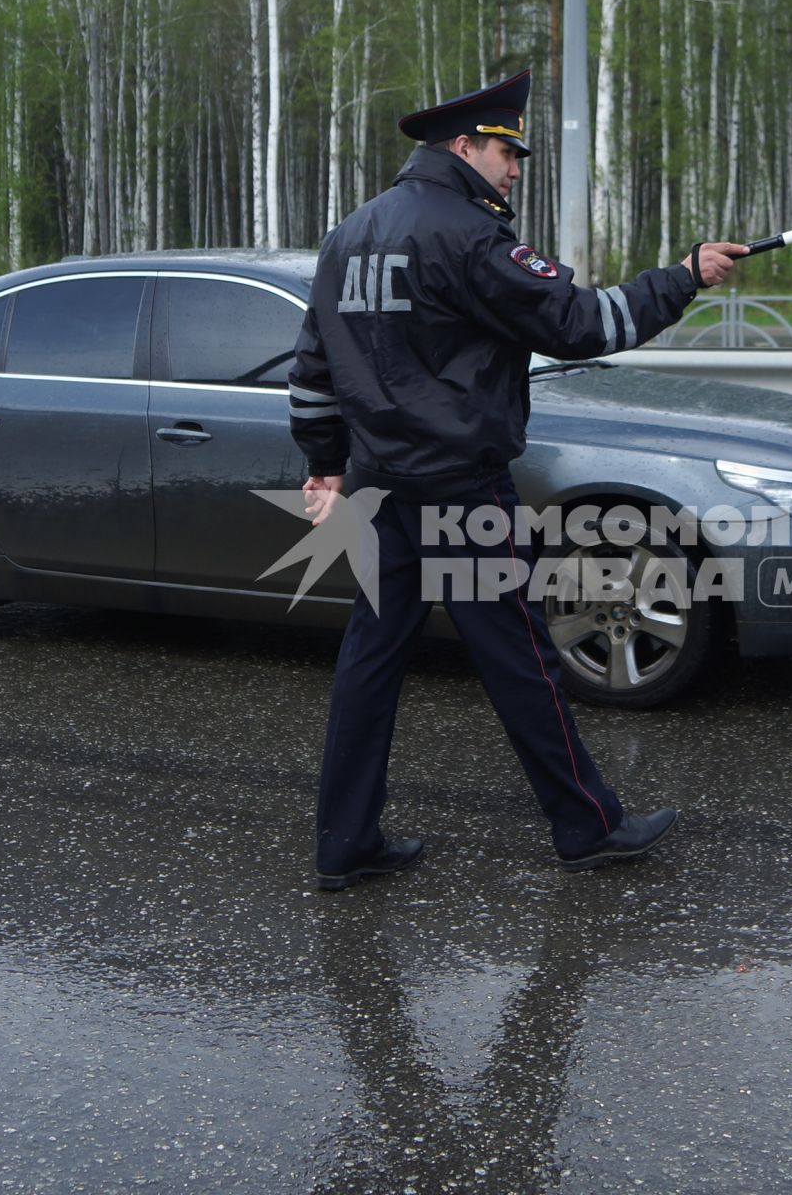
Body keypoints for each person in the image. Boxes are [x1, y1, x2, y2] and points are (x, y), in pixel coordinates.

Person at [288, 69, 747, 891]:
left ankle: (344, 842)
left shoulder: (349, 235)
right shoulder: (468, 236)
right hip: (460, 490)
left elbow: (312, 371)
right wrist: (681, 277)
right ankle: (589, 826)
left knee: (369, 661)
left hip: (375, 484)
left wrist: (321, 462)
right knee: (523, 658)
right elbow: (579, 324)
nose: (515, 167)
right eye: (506, 151)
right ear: (463, 146)